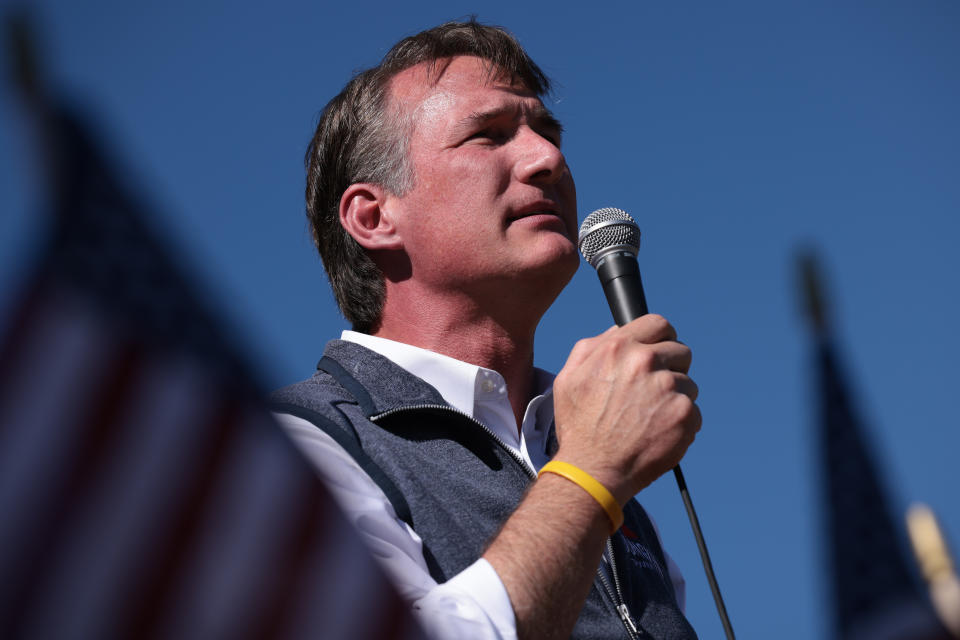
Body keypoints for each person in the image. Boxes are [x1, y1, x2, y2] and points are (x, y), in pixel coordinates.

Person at [272, 20, 701, 640]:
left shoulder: (618, 493)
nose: (547, 159)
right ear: (374, 215)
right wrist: (588, 477)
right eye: (488, 136)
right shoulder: (302, 444)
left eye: (548, 133)